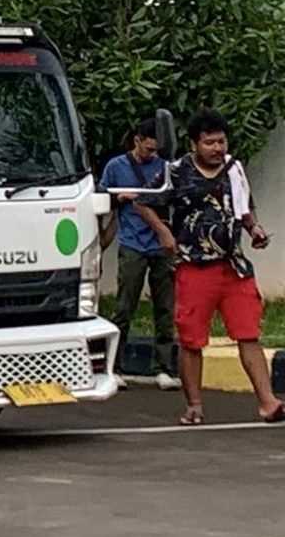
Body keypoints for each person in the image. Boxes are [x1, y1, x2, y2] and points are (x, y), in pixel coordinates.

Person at [135, 109, 282, 425]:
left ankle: (268, 402)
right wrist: (163, 232)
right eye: (210, 143)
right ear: (193, 144)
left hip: (234, 267)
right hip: (194, 267)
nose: (217, 148)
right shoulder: (175, 172)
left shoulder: (234, 169)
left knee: (248, 334)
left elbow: (244, 208)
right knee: (192, 340)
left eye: (221, 141)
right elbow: (143, 201)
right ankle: (194, 406)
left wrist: (254, 230)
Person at [98, 118, 179, 391]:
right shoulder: (116, 167)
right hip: (132, 242)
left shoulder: (167, 168)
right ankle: (116, 365)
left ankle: (164, 366)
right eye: (148, 150)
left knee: (165, 307)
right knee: (124, 306)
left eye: (156, 151)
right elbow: (101, 198)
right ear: (137, 141)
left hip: (161, 245)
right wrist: (118, 198)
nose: (152, 155)